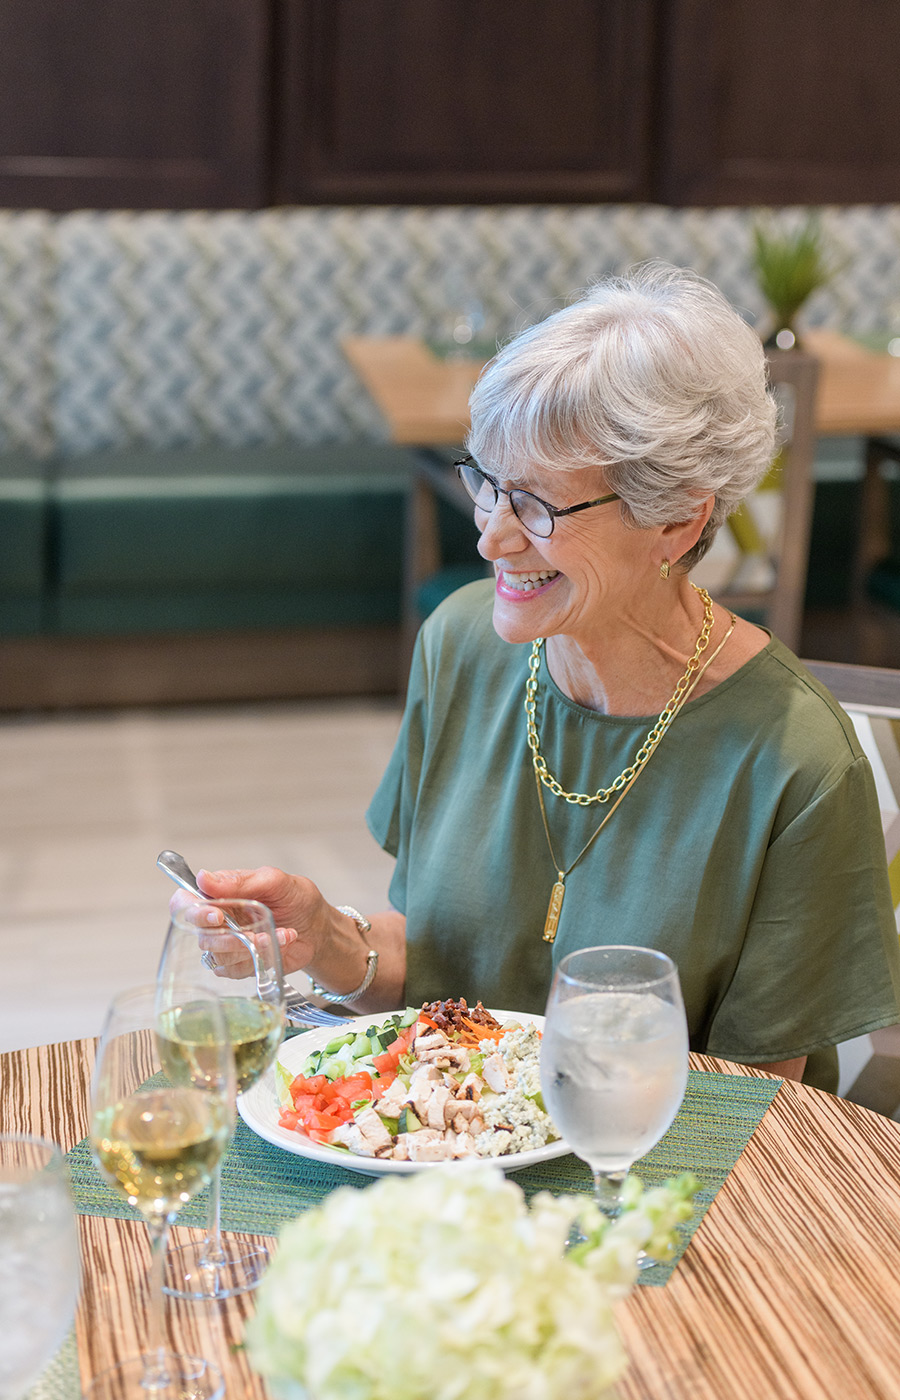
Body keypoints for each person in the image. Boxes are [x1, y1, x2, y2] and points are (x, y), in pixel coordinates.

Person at [187, 262, 900, 1093]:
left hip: (653, 1176)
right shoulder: (461, 643)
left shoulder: (797, 761)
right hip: (454, 1147)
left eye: (539, 507)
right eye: (487, 484)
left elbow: (757, 1102)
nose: (491, 537)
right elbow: (442, 960)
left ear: (676, 518)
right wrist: (324, 936)